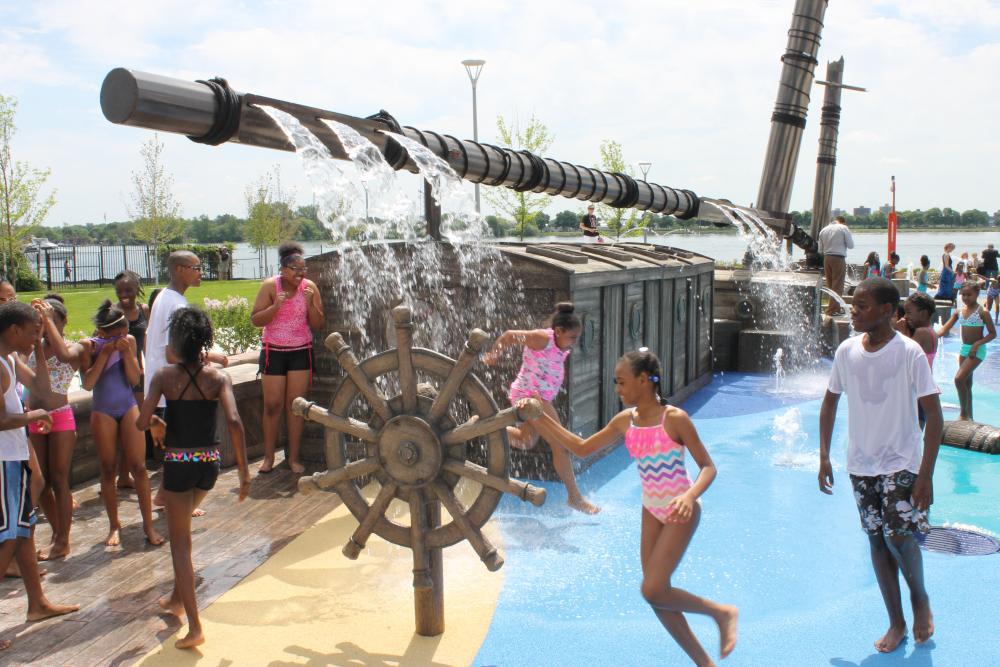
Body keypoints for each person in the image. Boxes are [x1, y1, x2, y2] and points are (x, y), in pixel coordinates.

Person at [520, 348, 737, 665]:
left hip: (680, 511)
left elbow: (708, 467)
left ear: (644, 381)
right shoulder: (626, 421)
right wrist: (539, 417)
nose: (618, 389)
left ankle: (721, 613)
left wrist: (689, 496)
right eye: (616, 382)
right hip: (651, 510)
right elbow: (580, 449)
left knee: (652, 590)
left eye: (622, 382)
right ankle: (705, 663)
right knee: (656, 595)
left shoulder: (674, 419)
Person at [819, 277, 942, 654]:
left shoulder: (909, 353)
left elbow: (934, 418)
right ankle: (896, 621)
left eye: (862, 305)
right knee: (876, 541)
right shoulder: (846, 351)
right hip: (861, 463)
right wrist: (824, 455)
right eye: (853, 305)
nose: (853, 311)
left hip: (901, 461)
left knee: (899, 536)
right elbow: (829, 403)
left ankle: (919, 599)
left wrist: (925, 475)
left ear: (888, 311)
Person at [137, 307, 250, 650]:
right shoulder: (217, 378)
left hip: (178, 466)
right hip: (209, 465)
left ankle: (195, 627)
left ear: (176, 343)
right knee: (182, 530)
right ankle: (174, 600)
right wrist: (244, 472)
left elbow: (142, 422)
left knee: (181, 547)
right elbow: (234, 422)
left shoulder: (163, 376)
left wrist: (157, 423)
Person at [0, 301, 79, 651]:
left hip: (14, 456)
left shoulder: (11, 359)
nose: (38, 336)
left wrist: (42, 346)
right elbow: (0, 420)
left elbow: (43, 390)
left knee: (24, 532)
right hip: (4, 459)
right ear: (13, 331)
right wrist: (33, 418)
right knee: (9, 539)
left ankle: (37, 603)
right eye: (32, 331)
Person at [483, 303, 599, 515]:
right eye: (572, 337)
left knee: (525, 441)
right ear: (558, 331)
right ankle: (575, 497)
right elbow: (509, 335)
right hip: (530, 397)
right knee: (561, 445)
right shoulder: (542, 338)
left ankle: (484, 426)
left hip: (539, 398)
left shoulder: (560, 344)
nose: (574, 342)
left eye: (576, 337)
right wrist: (494, 355)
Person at [146, 252, 227, 508]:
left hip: (164, 388)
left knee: (175, 447)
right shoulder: (176, 304)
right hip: (175, 390)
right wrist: (211, 356)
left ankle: (166, 497)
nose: (200, 272)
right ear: (180, 269)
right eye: (196, 268)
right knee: (182, 448)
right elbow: (173, 353)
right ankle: (175, 502)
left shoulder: (162, 297)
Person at [80, 300, 163, 547]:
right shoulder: (90, 346)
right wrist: (105, 353)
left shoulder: (130, 342)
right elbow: (88, 384)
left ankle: (148, 525)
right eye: (117, 335)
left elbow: (135, 378)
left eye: (125, 332)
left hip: (127, 406)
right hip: (103, 409)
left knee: (139, 467)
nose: (123, 337)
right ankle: (114, 525)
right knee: (108, 468)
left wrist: (126, 351)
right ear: (102, 333)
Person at [251, 242, 324, 475]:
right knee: (272, 406)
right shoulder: (270, 287)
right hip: (274, 351)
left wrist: (311, 303)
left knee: (295, 406)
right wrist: (277, 305)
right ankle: (268, 457)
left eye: (303, 270)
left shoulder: (309, 287)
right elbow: (256, 320)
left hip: (300, 351)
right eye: (295, 270)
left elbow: (318, 324)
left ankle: (292, 457)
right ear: (283, 269)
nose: (300, 274)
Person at [27, 295, 83, 560]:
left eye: (52, 322)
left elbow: (64, 356)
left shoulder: (73, 348)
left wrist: (48, 323)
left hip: (60, 416)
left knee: (60, 479)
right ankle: (57, 533)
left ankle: (63, 540)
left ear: (63, 322)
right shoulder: (30, 346)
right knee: (43, 481)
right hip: (34, 417)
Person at [937, 282, 996, 421]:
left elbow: (993, 334)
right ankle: (970, 418)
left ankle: (963, 414)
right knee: (967, 384)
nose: (965, 297)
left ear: (977, 294)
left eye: (969, 294)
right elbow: (943, 329)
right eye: (963, 294)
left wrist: (977, 344)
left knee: (958, 379)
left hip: (977, 351)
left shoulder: (983, 312)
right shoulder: (959, 312)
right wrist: (928, 336)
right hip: (964, 350)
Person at [114, 270, 149, 490]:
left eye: (128, 290)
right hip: (118, 376)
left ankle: (134, 470)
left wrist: (150, 368)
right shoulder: (113, 312)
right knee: (121, 428)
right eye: (119, 291)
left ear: (137, 289)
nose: (124, 295)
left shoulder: (144, 310)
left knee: (137, 425)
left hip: (138, 374)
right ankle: (122, 474)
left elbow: (149, 339)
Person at [900, 292, 939, 429]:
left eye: (909, 312)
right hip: (923, 388)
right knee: (917, 428)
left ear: (923, 313)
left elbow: (904, 355)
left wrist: (902, 332)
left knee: (911, 429)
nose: (905, 316)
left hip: (916, 389)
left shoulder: (921, 332)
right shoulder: (930, 331)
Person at [817, 215, 854, 315]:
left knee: (831, 285)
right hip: (838, 258)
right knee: (838, 284)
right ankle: (832, 310)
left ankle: (835, 308)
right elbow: (851, 245)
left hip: (826, 258)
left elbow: (820, 249)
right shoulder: (843, 228)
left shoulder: (823, 230)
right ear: (843, 222)